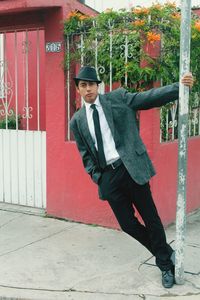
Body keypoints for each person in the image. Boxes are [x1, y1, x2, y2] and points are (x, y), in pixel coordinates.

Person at [70, 66, 194, 288]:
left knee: (151, 219)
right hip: (108, 177)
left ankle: (165, 266)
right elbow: (85, 154)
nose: (88, 89)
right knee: (128, 225)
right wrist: (97, 177)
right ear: (78, 89)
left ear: (98, 85)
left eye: (91, 84)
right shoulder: (77, 120)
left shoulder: (117, 99)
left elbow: (147, 98)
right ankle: (164, 251)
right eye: (83, 85)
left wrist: (179, 87)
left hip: (131, 168)